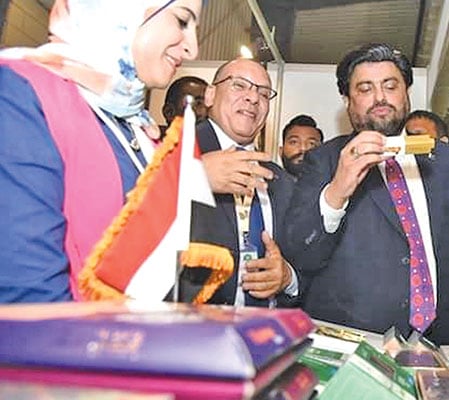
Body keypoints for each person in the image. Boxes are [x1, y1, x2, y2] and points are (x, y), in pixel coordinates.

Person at [283, 43, 449, 345]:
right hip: (358, 343)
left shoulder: (445, 160)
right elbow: (300, 254)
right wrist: (337, 190)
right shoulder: (324, 161)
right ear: (347, 100)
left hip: (444, 341)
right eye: (365, 89)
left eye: (390, 86)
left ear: (406, 93)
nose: (380, 98)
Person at [0, 0, 201, 302]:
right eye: (182, 21)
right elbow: (30, 300)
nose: (193, 48)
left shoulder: (139, 130)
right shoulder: (21, 96)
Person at [177, 58, 299, 307]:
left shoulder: (282, 181)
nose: (253, 98)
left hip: (266, 334)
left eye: (263, 93)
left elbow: (308, 259)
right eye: (239, 85)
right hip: (193, 331)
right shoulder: (174, 156)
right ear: (210, 95)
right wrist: (192, 176)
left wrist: (288, 277)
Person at [279, 114, 323, 178]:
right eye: (294, 142)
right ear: (281, 151)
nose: (303, 148)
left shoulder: (335, 186)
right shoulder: (265, 185)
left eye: (311, 144)